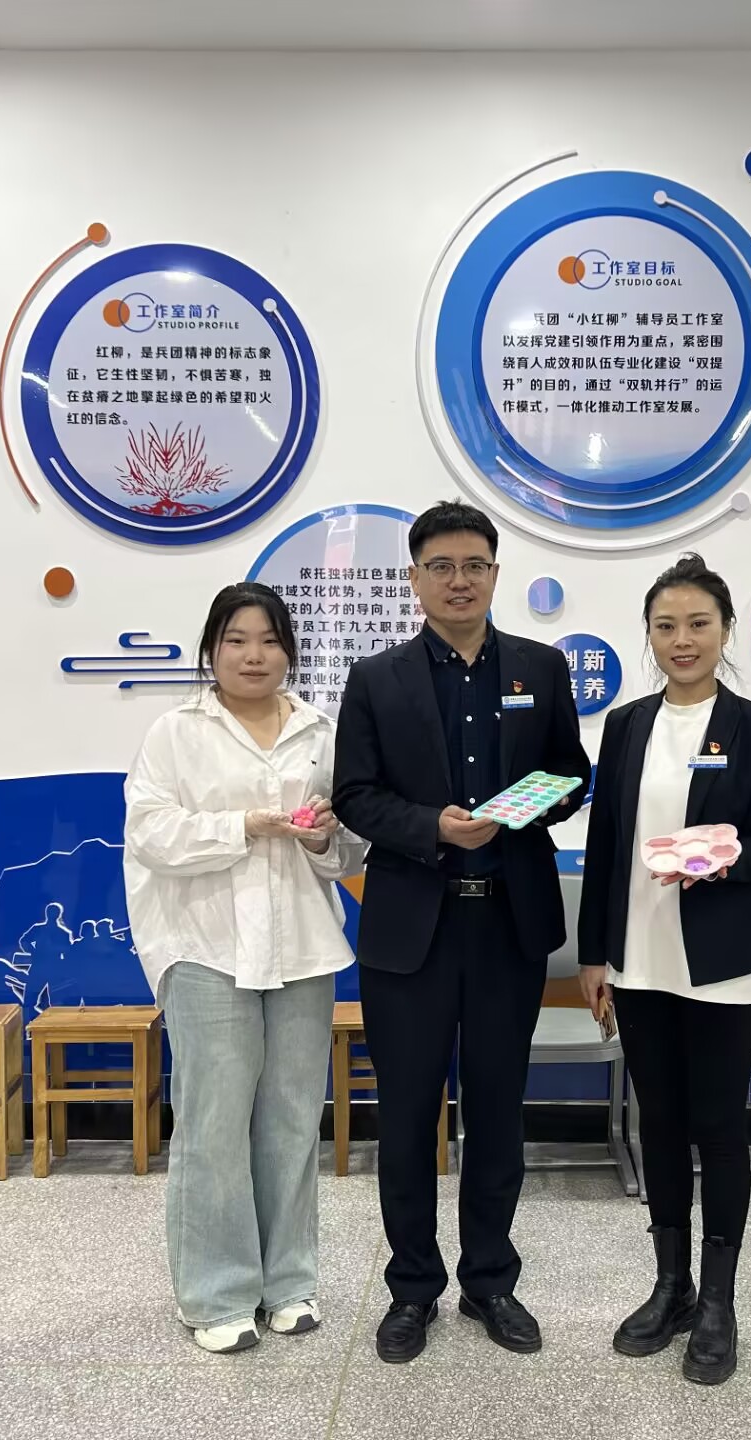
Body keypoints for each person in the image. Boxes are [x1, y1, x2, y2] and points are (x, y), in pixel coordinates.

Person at [333, 499, 591, 1365]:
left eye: (474, 565)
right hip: (412, 928)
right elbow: (355, 795)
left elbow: (571, 775)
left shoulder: (540, 668)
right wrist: (432, 827)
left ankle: (490, 1281)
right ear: (414, 579)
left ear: (494, 573)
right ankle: (412, 1288)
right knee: (408, 1115)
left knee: (497, 1109)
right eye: (440, 567)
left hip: (508, 925)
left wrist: (524, 809)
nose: (458, 580)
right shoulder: (376, 678)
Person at [123, 582, 367, 1357]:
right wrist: (247, 825)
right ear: (211, 651)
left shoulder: (320, 733)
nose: (254, 655)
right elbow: (152, 833)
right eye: (236, 640)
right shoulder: (176, 732)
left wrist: (321, 837)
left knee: (292, 1119)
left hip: (301, 945)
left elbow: (348, 852)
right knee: (214, 1123)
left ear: (290, 651)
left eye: (268, 640)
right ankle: (218, 1293)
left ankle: (289, 1282)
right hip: (206, 946)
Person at [577, 555, 751, 1387]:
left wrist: (723, 858)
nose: (682, 639)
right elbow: (605, 847)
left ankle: (720, 1303)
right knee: (660, 1122)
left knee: (718, 1125)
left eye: (698, 624)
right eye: (666, 626)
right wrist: (594, 953)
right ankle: (671, 1286)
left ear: (725, 630)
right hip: (639, 956)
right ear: (650, 634)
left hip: (721, 961)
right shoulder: (627, 724)